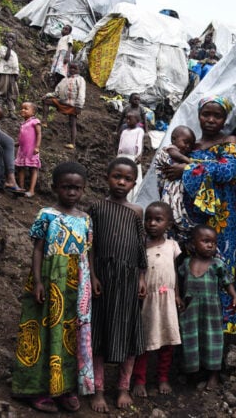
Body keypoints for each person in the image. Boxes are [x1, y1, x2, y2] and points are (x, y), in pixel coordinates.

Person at [11, 161, 94, 413]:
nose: (71, 192)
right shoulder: (46, 214)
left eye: (77, 188)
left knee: (70, 335)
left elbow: (88, 253)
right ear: (55, 188)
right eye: (66, 187)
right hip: (49, 278)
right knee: (44, 332)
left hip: (77, 284)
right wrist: (37, 281)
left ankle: (64, 388)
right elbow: (37, 250)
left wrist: (93, 280)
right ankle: (36, 389)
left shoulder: (87, 219)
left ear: (83, 190)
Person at [160, 95, 236, 333]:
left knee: (219, 272)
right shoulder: (189, 145)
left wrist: (187, 167)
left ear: (225, 118)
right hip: (188, 223)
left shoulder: (229, 141)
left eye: (217, 115)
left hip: (220, 222)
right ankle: (186, 333)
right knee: (190, 273)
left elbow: (228, 171)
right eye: (206, 114)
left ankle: (221, 333)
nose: (211, 120)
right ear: (198, 115)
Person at [88, 157, 147, 412]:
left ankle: (123, 387)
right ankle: (98, 389)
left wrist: (142, 277)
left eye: (127, 179)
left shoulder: (136, 211)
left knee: (128, 332)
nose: (121, 182)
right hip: (103, 276)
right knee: (99, 333)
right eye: (117, 177)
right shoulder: (96, 208)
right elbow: (90, 246)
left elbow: (140, 246)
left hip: (129, 280)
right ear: (107, 177)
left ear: (134, 183)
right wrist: (92, 275)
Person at [177, 224, 236, 389]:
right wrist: (178, 297)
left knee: (212, 340)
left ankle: (213, 375)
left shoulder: (217, 264)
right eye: (205, 241)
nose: (211, 245)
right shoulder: (186, 263)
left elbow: (227, 282)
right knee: (190, 339)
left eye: (213, 242)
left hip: (211, 310)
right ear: (192, 244)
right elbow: (177, 281)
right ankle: (192, 372)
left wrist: (234, 296)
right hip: (190, 309)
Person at [130, 202, 183, 398]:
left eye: (158, 220)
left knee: (168, 341)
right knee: (144, 342)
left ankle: (162, 377)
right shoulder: (140, 245)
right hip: (148, 301)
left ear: (168, 224)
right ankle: (140, 379)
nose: (152, 223)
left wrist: (177, 294)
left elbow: (175, 273)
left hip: (167, 300)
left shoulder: (172, 246)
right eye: (148, 219)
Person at [154, 125, 196, 249]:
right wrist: (189, 162)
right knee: (170, 210)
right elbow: (173, 153)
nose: (188, 146)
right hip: (168, 190)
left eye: (191, 145)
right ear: (173, 139)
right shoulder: (168, 150)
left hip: (173, 192)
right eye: (185, 142)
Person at [42, 61, 85, 149]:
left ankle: (72, 143)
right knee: (46, 101)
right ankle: (44, 122)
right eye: (71, 68)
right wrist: (47, 95)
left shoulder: (80, 80)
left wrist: (79, 106)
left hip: (73, 105)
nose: (72, 70)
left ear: (79, 70)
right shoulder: (64, 80)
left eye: (75, 68)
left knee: (72, 123)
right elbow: (57, 92)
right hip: (62, 102)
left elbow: (81, 94)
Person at [14, 102, 41, 198]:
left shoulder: (35, 121)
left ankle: (32, 190)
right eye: (22, 108)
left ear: (33, 112)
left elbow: (38, 134)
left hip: (31, 150)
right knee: (21, 168)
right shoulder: (23, 123)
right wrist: (17, 143)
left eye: (26, 108)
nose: (23, 110)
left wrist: (37, 147)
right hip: (22, 150)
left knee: (33, 169)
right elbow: (22, 136)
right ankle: (21, 188)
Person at [116, 111, 144, 202]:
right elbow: (120, 145)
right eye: (126, 118)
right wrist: (118, 156)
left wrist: (139, 155)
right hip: (122, 156)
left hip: (133, 157)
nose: (127, 121)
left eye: (130, 119)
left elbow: (139, 143)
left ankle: (132, 198)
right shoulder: (124, 131)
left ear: (137, 120)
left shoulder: (139, 131)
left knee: (132, 175)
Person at [0, 34, 19, 115]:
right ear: (5, 39)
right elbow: (6, 57)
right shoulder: (2, 48)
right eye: (8, 37)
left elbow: (16, 65)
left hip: (12, 74)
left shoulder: (14, 53)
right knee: (3, 90)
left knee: (12, 93)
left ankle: (11, 111)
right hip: (5, 72)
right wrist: (9, 47)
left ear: (15, 41)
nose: (10, 40)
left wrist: (16, 74)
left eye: (13, 38)